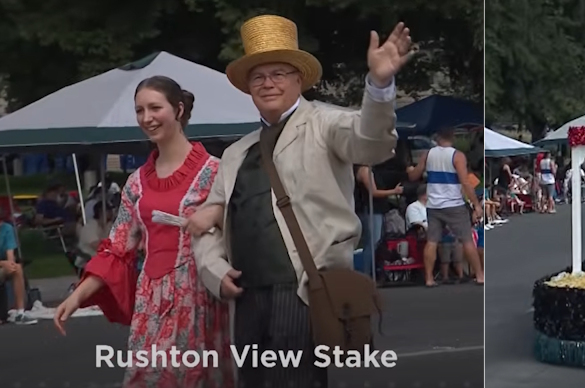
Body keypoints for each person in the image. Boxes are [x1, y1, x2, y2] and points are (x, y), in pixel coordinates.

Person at [184, 15, 409, 387]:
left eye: (279, 73)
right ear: (248, 87)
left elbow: (372, 143)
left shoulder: (325, 123)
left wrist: (380, 86)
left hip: (304, 287)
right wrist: (215, 272)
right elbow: (208, 225)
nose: (268, 83)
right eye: (258, 76)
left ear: (298, 80)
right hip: (246, 293)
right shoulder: (237, 153)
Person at [52, 76, 235, 386]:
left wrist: (216, 216)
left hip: (201, 297)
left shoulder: (216, 171)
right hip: (151, 303)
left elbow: (242, 228)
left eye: (154, 108)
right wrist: (77, 295)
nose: (147, 118)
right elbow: (118, 246)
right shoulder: (136, 182)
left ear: (178, 110)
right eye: (139, 110)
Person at [409, 127, 486, 286]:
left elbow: (414, 176)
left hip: (433, 204)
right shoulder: (457, 156)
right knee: (466, 240)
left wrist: (410, 169)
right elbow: (465, 182)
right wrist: (476, 205)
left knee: (432, 241)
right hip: (453, 204)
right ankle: (479, 275)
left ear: (437, 137)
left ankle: (429, 278)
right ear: (452, 136)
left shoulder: (427, 154)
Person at [355, 164, 403, 275]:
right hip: (370, 210)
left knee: (377, 241)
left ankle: (374, 270)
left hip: (378, 210)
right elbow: (373, 192)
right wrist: (394, 191)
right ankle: (366, 272)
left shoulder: (374, 171)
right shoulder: (365, 171)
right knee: (372, 241)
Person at [0, 208, 38, 325]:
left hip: (2, 266)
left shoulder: (7, 229)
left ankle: (20, 312)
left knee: (17, 268)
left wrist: (10, 264)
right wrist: (3, 263)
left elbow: (10, 253)